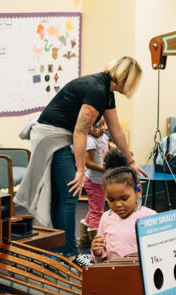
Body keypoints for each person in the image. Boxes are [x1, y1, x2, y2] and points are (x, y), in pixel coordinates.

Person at [15, 56, 145, 262]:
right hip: (53, 137)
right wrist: (80, 170)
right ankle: (68, 253)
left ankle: (60, 249)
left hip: (63, 135)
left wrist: (130, 160)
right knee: (69, 194)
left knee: (62, 196)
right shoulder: (97, 90)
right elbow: (80, 132)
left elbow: (116, 129)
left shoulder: (107, 92)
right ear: (128, 79)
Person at [89, 149, 157, 264]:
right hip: (115, 274)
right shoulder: (106, 218)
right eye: (111, 199)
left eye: (124, 198)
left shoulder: (150, 216)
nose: (118, 204)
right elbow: (101, 257)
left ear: (138, 190)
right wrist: (97, 252)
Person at [78, 117, 109, 247]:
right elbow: (88, 163)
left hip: (101, 180)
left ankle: (84, 239)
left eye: (104, 125)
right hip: (94, 182)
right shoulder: (90, 141)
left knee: (94, 209)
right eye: (98, 126)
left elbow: (108, 146)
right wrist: (105, 169)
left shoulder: (102, 137)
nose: (103, 128)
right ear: (89, 127)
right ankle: (96, 243)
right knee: (97, 212)